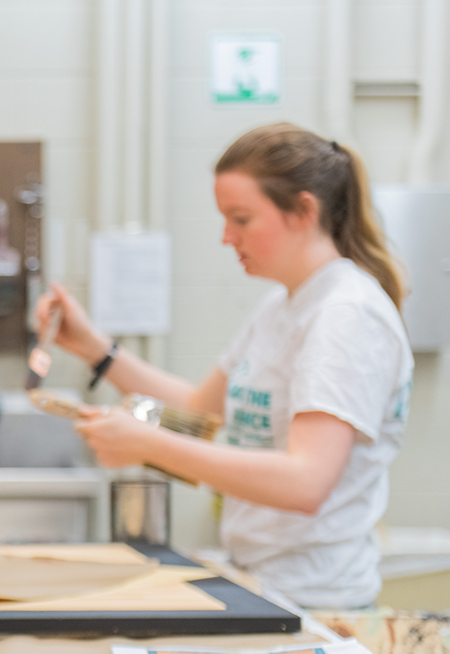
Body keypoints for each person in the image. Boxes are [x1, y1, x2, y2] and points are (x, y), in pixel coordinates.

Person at [39, 122, 413, 610]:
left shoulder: (346, 315)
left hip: (317, 600)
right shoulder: (282, 307)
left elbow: (306, 481)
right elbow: (199, 408)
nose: (225, 237)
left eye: (241, 219)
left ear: (304, 210)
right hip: (262, 583)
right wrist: (94, 349)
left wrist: (148, 444)